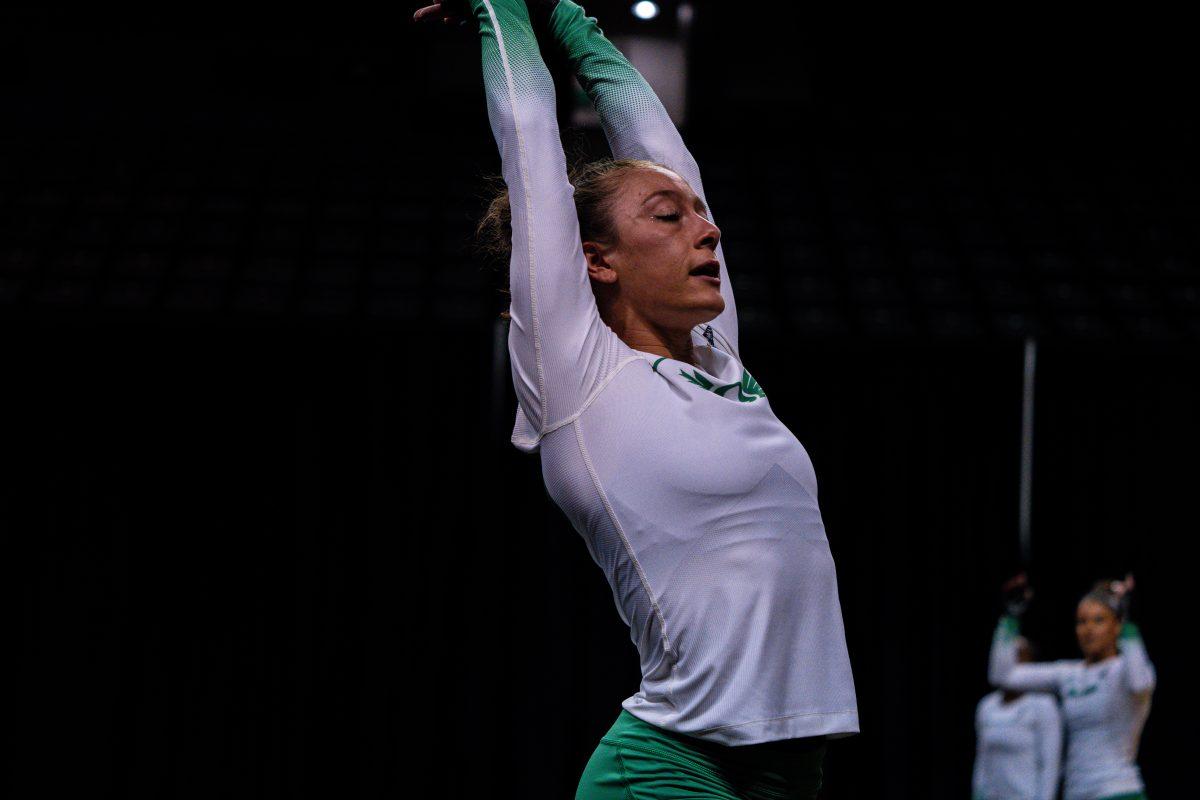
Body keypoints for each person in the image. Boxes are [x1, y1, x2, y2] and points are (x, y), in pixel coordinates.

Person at [414, 1, 858, 797]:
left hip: (794, 771)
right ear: (597, 261)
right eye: (670, 217)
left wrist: (571, 22)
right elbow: (527, 137)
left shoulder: (721, 361)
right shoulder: (579, 378)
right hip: (673, 768)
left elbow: (667, 154)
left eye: (701, 214)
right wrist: (503, 7)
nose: (708, 230)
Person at [989, 574, 1155, 800]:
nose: (1088, 629)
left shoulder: (1125, 670)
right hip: (1076, 792)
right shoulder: (1068, 673)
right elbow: (1003, 676)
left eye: (1099, 620)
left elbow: (1139, 683)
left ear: (1116, 626)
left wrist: (1130, 624)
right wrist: (1009, 619)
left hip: (1117, 790)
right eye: (1081, 621)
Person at [972, 635, 1063, 800]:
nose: (1011, 661)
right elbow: (982, 760)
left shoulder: (1043, 704)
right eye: (1007, 655)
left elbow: (1050, 765)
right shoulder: (986, 706)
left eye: (1019, 655)